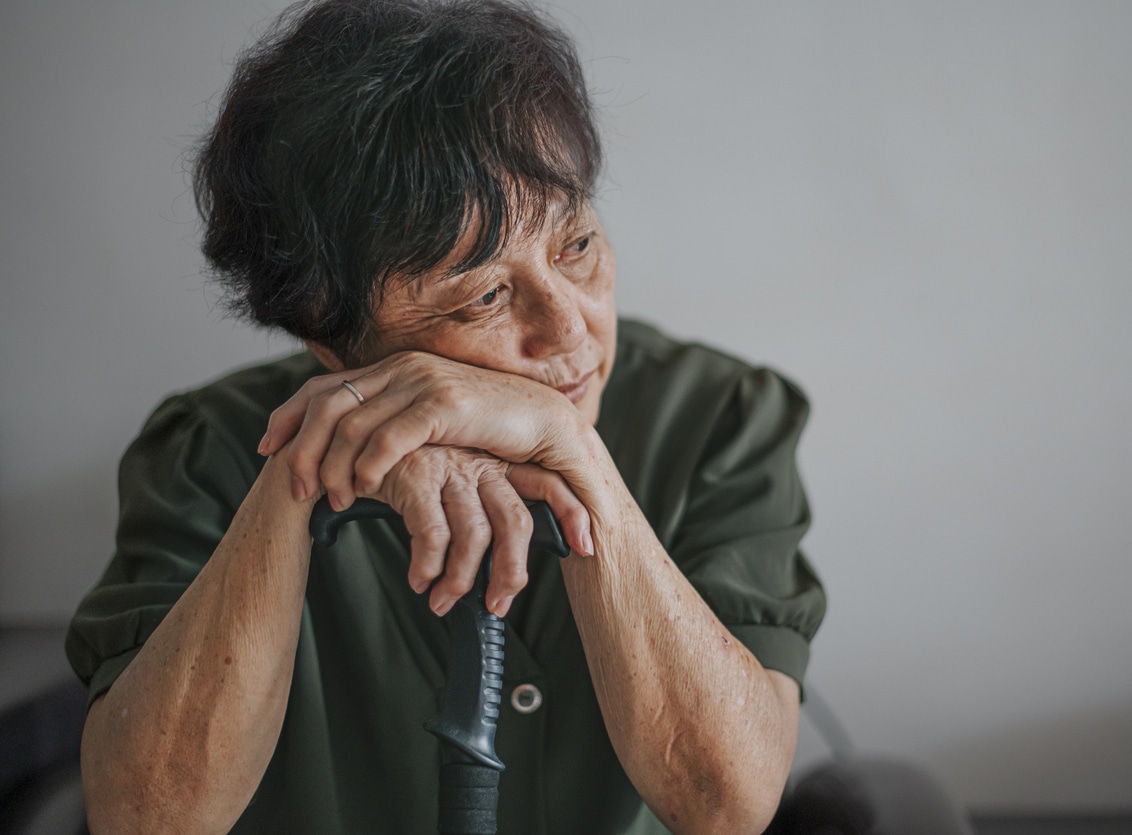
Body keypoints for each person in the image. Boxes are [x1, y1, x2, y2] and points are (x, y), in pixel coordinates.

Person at [64, 0, 826, 832]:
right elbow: (145, 818)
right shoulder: (206, 452)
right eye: (487, 295)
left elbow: (727, 805)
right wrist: (311, 465)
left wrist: (569, 446)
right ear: (334, 335)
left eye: (575, 245)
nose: (570, 328)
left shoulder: (722, 418)